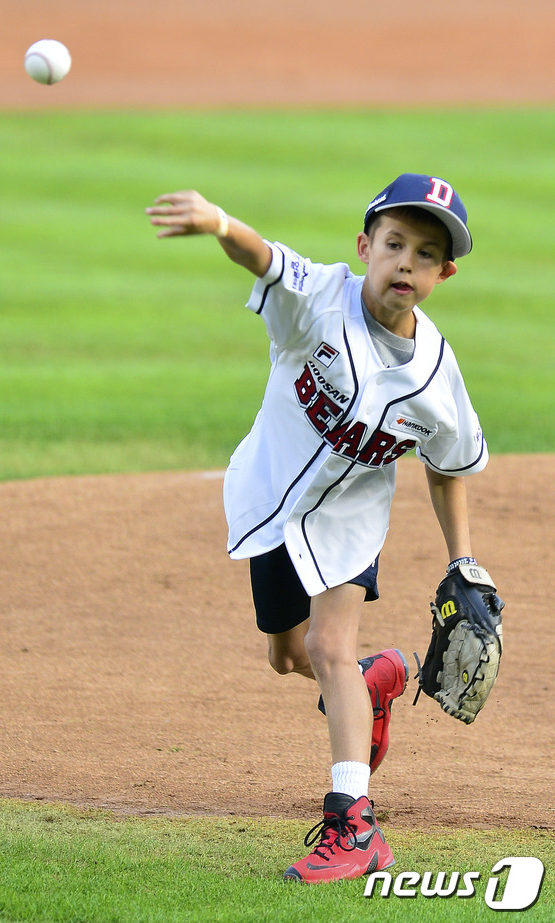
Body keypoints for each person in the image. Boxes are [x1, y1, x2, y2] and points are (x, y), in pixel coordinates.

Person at [146, 174, 488, 883]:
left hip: (349, 523)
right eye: (394, 244)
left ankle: (355, 824)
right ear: (365, 246)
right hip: (272, 496)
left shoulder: (435, 372)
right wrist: (217, 222)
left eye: (425, 254)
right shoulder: (319, 302)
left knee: (331, 644)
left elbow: (447, 463)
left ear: (443, 274)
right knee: (290, 655)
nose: (405, 263)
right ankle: (375, 683)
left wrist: (464, 560)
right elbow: (265, 258)